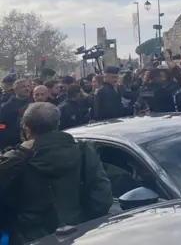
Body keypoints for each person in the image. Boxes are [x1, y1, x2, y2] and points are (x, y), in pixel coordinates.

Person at [0, 102, 112, 244]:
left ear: (27, 129)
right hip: (78, 234)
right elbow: (101, 195)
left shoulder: (16, 159)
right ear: (57, 123)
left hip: (29, 237)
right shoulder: (83, 151)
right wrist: (85, 224)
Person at [0, 80, 32, 150]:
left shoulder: (33, 103)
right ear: (15, 90)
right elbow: (1, 126)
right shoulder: (6, 107)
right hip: (12, 144)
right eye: (23, 87)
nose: (27, 89)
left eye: (28, 86)